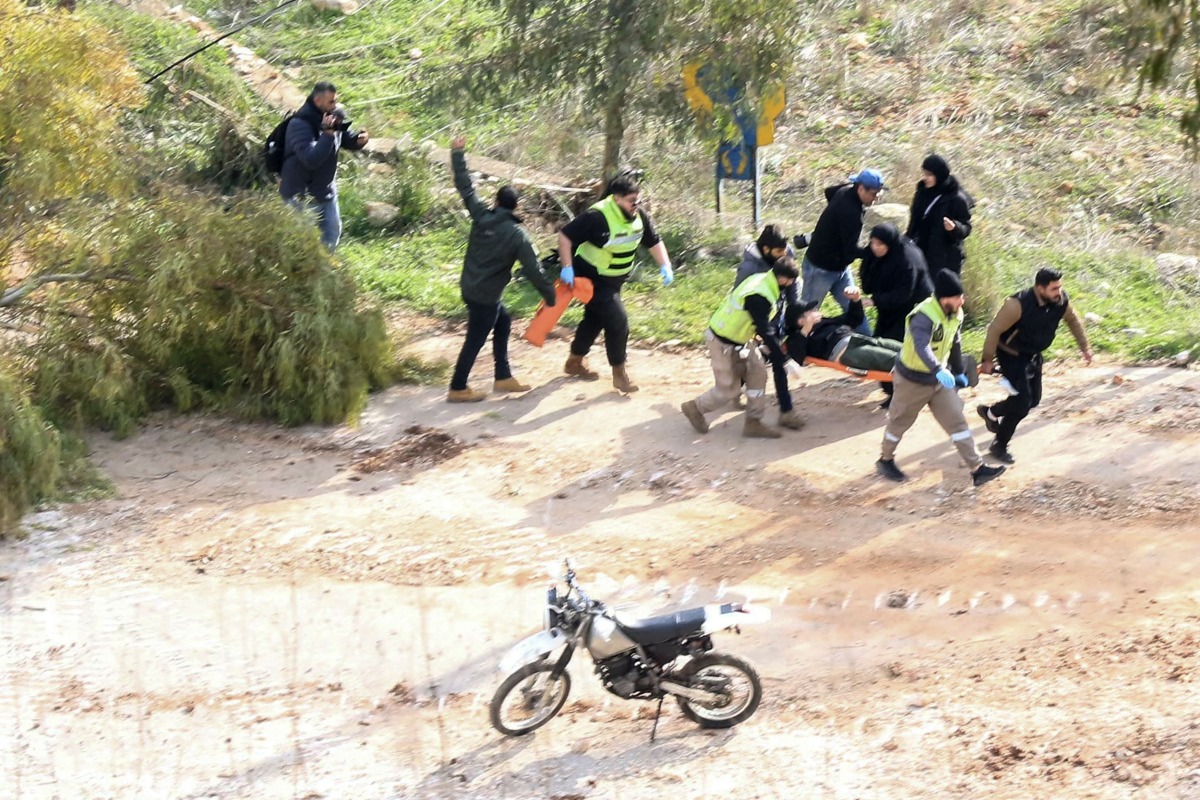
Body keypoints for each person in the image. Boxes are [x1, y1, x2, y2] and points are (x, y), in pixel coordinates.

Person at [445, 135, 557, 403]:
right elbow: (533, 270)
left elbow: (465, 187)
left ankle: (503, 377)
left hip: (470, 288)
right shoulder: (517, 236)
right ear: (516, 207)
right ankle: (458, 387)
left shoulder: (482, 215)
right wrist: (551, 297)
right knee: (475, 339)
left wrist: (458, 154)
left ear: (496, 202)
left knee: (503, 320)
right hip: (485, 296)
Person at [876, 269, 1006, 487]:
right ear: (945, 298)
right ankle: (885, 460)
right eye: (958, 297)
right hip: (912, 380)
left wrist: (957, 371)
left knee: (957, 421)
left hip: (938, 382)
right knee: (899, 422)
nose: (962, 301)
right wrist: (938, 369)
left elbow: (955, 342)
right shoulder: (923, 316)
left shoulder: (956, 313)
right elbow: (921, 346)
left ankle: (977, 469)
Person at [557, 173, 673, 393]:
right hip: (590, 277)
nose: (636, 205)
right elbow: (565, 236)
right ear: (617, 198)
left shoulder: (639, 215)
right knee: (618, 321)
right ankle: (619, 374)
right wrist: (566, 267)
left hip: (614, 280)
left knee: (595, 318)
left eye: (638, 200)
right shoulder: (596, 216)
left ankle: (574, 361)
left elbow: (653, 241)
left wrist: (665, 265)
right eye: (631, 201)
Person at [976, 267, 1093, 463]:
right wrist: (987, 360)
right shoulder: (1017, 305)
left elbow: (1072, 320)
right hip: (1010, 354)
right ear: (1040, 288)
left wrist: (1085, 347)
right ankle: (999, 445)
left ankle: (991, 412)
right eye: (1054, 289)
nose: (1059, 293)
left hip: (1032, 354)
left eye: (1059, 287)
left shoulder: (1060, 301)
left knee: (1034, 400)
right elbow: (994, 329)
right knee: (1022, 403)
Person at [681, 258, 801, 439]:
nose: (792, 285)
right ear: (783, 279)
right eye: (791, 281)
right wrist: (784, 359)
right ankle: (695, 407)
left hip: (742, 340)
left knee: (758, 374)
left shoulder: (763, 280)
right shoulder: (759, 295)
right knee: (728, 390)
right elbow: (764, 329)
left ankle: (753, 422)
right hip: (722, 342)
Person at [280, 82, 369, 250]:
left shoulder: (330, 116)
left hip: (325, 191)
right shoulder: (299, 125)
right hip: (302, 195)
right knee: (303, 246)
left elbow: (344, 137)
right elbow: (311, 159)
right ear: (318, 101)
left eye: (335, 101)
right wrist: (328, 134)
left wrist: (358, 140)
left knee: (332, 235)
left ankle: (326, 272)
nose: (335, 105)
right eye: (331, 102)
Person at [734, 224, 804, 429]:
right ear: (766, 250)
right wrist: (759, 328)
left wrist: (795, 307)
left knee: (777, 362)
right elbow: (741, 297)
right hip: (756, 321)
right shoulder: (748, 269)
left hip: (776, 316)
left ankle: (786, 412)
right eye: (779, 252)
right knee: (754, 362)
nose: (784, 254)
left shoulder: (785, 252)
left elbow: (792, 282)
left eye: (785, 250)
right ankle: (732, 390)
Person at [801, 167, 886, 334]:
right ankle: (788, 349)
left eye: (878, 194)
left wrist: (830, 226)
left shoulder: (845, 190)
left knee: (855, 309)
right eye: (873, 194)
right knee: (806, 316)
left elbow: (828, 192)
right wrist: (873, 252)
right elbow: (850, 251)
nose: (876, 198)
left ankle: (868, 342)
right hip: (820, 269)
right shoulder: (851, 213)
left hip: (840, 268)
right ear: (861, 188)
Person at [859, 222, 933, 408]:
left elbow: (903, 294)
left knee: (898, 350)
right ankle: (893, 390)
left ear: (890, 244)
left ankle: (899, 394)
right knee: (882, 344)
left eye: (880, 245)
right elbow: (866, 275)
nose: (875, 248)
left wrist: (876, 300)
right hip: (890, 306)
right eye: (873, 243)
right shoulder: (875, 251)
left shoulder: (907, 260)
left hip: (914, 308)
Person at [785, 288, 902, 373]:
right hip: (847, 352)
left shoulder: (825, 322)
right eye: (811, 311)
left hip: (859, 340)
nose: (816, 311)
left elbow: (853, 319)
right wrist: (806, 330)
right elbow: (797, 357)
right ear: (801, 321)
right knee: (895, 360)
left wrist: (855, 301)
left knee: (905, 349)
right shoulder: (797, 338)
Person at [905, 154, 973, 276]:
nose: (925, 178)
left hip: (944, 260)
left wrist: (954, 228)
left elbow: (966, 227)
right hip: (920, 253)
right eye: (924, 173)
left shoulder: (956, 198)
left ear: (939, 175)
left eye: (929, 175)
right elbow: (914, 222)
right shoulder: (922, 192)